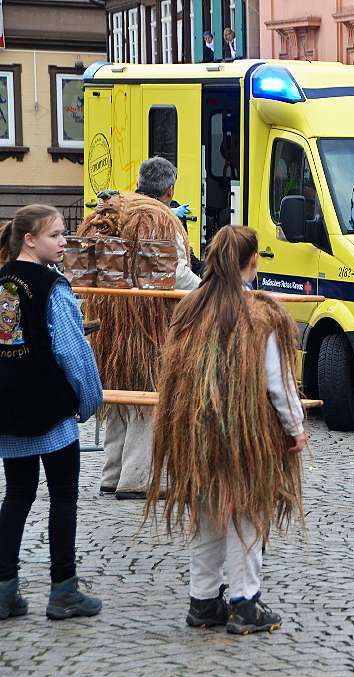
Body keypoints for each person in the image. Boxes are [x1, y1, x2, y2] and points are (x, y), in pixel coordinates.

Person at [145, 225, 306, 634]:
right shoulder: (262, 315)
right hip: (245, 436)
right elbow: (279, 383)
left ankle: (203, 602)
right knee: (247, 514)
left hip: (194, 433)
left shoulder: (191, 308)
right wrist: (295, 428)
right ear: (252, 261)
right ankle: (244, 602)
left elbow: (173, 375)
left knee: (208, 513)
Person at [0, 205, 103, 621]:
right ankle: (63, 590)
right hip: (51, 411)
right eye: (56, 235)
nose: (63, 243)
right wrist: (89, 399)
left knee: (18, 497)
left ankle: (4, 589)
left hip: (9, 409)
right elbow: (71, 351)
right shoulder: (52, 286)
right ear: (30, 239)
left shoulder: (2, 282)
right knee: (63, 498)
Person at [95, 162, 201, 501]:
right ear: (170, 191)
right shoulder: (160, 219)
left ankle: (112, 473)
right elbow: (176, 272)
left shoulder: (114, 208)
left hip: (111, 323)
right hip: (147, 325)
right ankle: (136, 479)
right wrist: (209, 290)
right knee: (147, 397)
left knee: (119, 397)